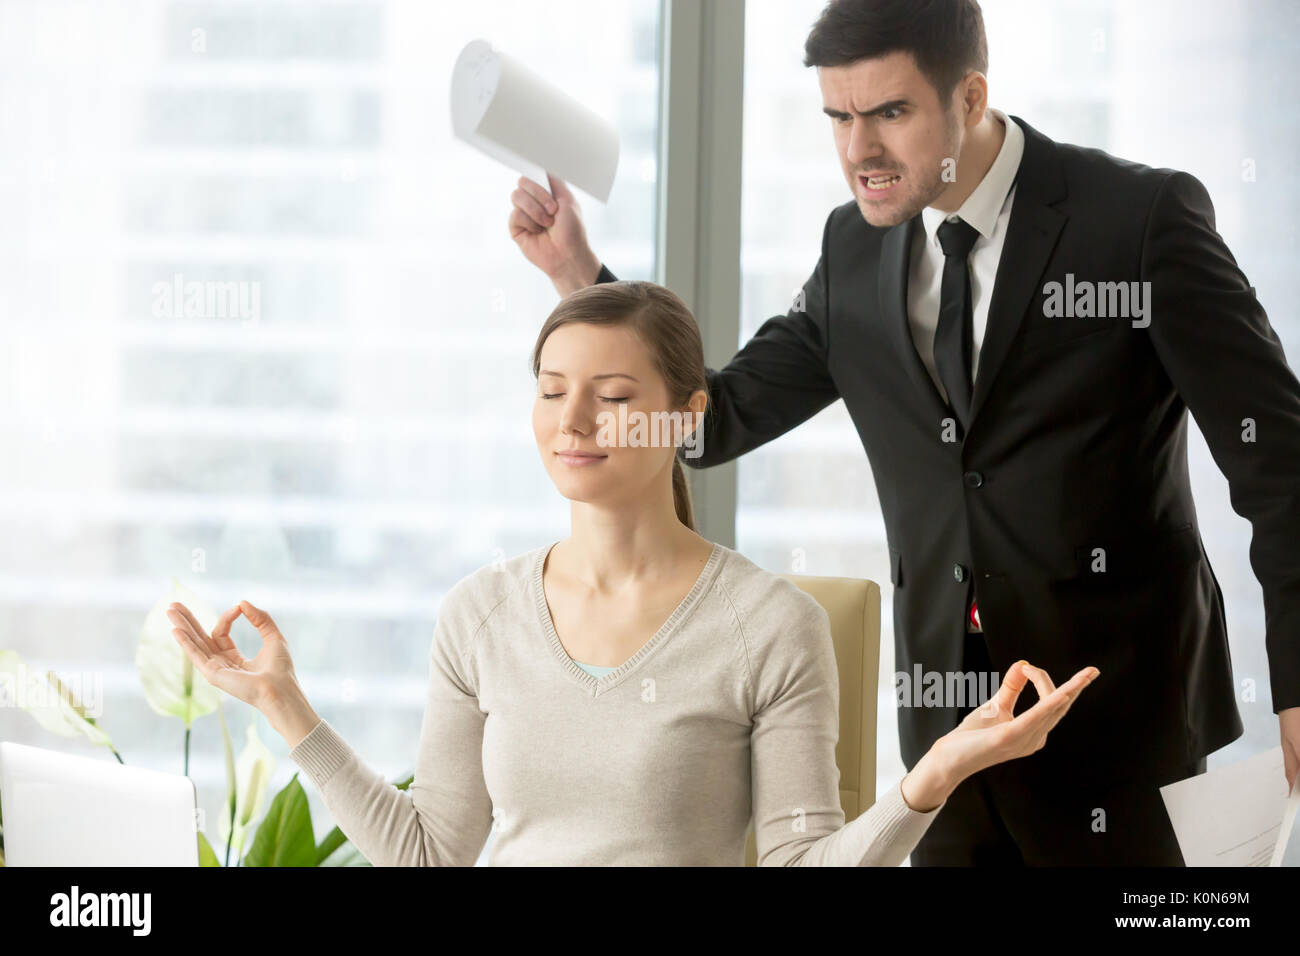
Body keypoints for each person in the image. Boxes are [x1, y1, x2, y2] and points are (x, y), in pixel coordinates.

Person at [507, 0, 1300, 865]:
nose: (858, 152)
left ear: (969, 96)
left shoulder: (1138, 219)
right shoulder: (854, 252)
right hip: (944, 752)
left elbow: (1281, 468)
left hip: (1124, 741)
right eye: (839, 118)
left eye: (889, 113)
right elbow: (711, 422)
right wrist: (577, 276)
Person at [167, 279, 1096, 866]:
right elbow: (430, 854)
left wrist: (928, 777)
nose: (572, 424)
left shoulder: (769, 625)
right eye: (550, 392)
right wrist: (285, 706)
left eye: (613, 399)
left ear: (685, 419)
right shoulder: (478, 615)